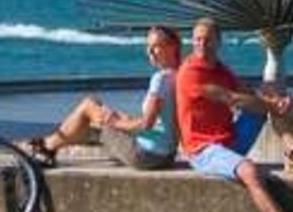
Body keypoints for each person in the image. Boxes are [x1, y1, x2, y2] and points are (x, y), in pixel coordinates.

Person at [176, 18, 293, 212]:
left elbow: (248, 93)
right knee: (250, 171)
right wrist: (275, 107)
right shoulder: (190, 72)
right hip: (203, 150)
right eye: (197, 40)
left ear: (218, 42)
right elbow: (231, 98)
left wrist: (280, 101)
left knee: (270, 92)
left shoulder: (220, 69)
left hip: (229, 140)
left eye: (207, 39)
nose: (201, 45)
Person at [22, 25, 181, 170]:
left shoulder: (161, 79)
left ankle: (47, 147)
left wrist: (117, 123)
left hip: (147, 155)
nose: (150, 51)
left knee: (89, 106)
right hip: (166, 154)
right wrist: (125, 119)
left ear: (172, 47)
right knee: (93, 116)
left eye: (156, 46)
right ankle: (49, 145)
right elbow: (161, 121)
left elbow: (146, 124)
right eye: (148, 46)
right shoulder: (178, 74)